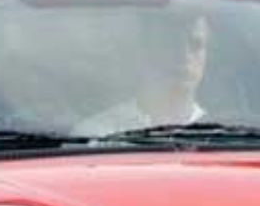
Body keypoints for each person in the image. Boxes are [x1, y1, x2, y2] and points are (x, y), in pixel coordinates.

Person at [73, 11, 210, 138]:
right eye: (170, 44)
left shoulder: (222, 136)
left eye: (196, 45)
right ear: (145, 52)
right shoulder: (97, 136)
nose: (184, 56)